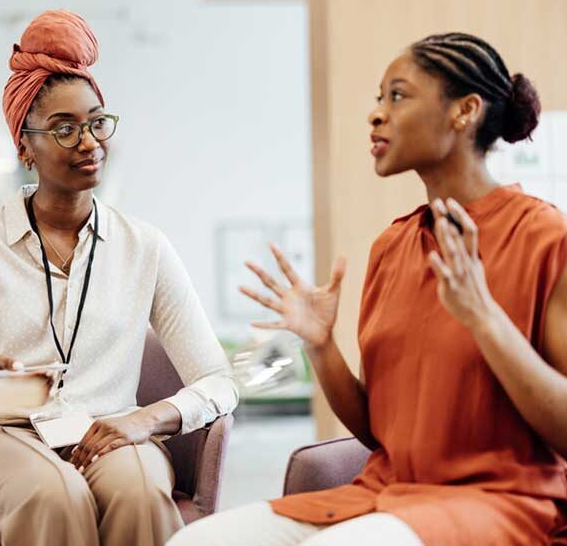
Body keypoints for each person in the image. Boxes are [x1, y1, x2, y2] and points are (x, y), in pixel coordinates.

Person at [168, 32, 567, 546]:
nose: (376, 114)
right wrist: (321, 345)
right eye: (379, 98)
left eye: (397, 95)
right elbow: (381, 434)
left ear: (464, 112)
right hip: (387, 494)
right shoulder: (393, 246)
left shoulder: (545, 238)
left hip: (502, 503)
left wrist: (485, 320)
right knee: (195, 543)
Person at [0, 9, 238, 546]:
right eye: (65, 129)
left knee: (140, 495)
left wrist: (148, 419)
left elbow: (219, 380)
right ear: (24, 147)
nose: (89, 142)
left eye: (97, 122)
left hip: (108, 431)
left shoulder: (146, 247)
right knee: (56, 496)